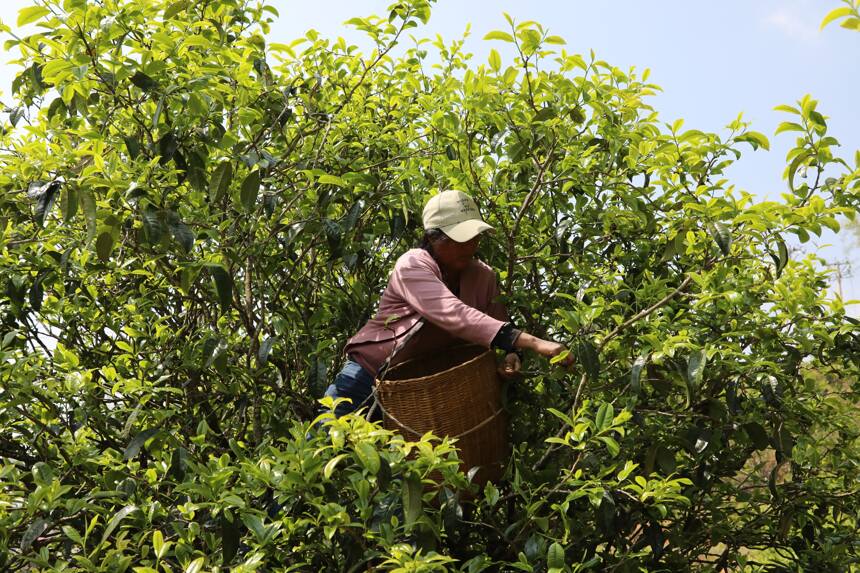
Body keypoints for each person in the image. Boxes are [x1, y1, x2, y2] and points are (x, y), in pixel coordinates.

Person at [323, 189, 574, 419]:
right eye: (459, 239)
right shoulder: (412, 265)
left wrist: (512, 355)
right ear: (433, 238)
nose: (471, 245)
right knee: (327, 449)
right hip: (365, 377)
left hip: (417, 392)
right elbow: (454, 314)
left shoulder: (482, 276)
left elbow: (499, 324)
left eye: (474, 237)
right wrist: (535, 343)